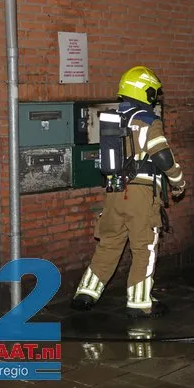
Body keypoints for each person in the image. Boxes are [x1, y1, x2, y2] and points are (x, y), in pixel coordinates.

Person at [71, 66, 186, 318]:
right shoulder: (147, 121)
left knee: (109, 244)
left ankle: (86, 293)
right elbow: (163, 156)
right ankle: (139, 303)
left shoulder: (114, 118)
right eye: (153, 92)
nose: (155, 97)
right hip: (140, 196)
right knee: (143, 248)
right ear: (145, 91)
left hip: (114, 193)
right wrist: (178, 182)